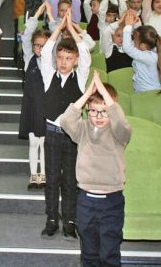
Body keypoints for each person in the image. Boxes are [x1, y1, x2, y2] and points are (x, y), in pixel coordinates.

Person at [60, 71, 132, 267]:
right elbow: (65, 120)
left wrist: (103, 91)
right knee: (89, 253)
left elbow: (121, 123)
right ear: (87, 110)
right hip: (86, 200)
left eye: (105, 111)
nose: (99, 116)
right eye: (93, 111)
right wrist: (87, 94)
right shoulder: (82, 130)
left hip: (112, 201)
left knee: (109, 253)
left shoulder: (118, 134)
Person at [39, 13, 91, 238]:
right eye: (60, 57)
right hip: (52, 134)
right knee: (52, 179)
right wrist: (59, 28)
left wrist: (72, 29)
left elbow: (86, 55)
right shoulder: (48, 75)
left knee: (71, 180)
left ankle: (70, 220)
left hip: (72, 136)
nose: (63, 62)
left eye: (68, 58)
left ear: (75, 61)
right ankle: (52, 219)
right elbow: (45, 52)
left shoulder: (79, 78)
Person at [19, 2, 52, 190]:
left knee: (44, 143)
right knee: (33, 142)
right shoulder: (28, 59)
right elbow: (26, 36)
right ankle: (33, 175)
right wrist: (37, 14)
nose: (40, 48)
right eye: (37, 45)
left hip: (47, 106)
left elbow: (57, 37)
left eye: (44, 45)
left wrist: (51, 16)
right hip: (31, 106)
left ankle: (44, 175)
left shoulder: (53, 62)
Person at [122, 10, 161, 93]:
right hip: (150, 92)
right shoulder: (153, 51)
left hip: (147, 94)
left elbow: (127, 47)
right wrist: (136, 22)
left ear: (143, 46)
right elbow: (142, 35)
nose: (133, 41)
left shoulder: (148, 57)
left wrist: (128, 26)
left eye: (134, 40)